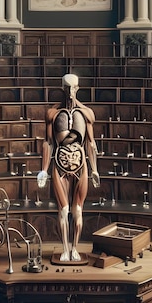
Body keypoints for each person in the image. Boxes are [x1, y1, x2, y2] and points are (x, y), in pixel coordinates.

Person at [37, 74, 100, 262]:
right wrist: (44, 169)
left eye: (73, 88)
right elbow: (48, 143)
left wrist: (95, 168)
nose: (70, 91)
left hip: (80, 165)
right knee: (63, 210)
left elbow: (91, 143)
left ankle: (75, 248)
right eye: (66, 87)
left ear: (77, 88)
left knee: (78, 210)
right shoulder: (53, 114)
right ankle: (65, 248)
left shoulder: (87, 114)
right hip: (60, 164)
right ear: (62, 88)